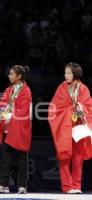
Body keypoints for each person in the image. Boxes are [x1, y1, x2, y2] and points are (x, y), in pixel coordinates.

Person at [48, 62, 92, 194]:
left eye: (68, 73)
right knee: (64, 156)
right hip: (64, 126)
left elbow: (89, 106)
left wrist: (80, 108)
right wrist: (70, 110)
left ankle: (76, 186)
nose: (66, 75)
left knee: (78, 158)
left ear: (75, 74)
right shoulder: (62, 87)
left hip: (78, 127)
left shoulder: (83, 88)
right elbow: (54, 107)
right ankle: (67, 186)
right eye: (65, 73)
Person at [0, 65, 32, 194]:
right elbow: (2, 102)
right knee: (5, 159)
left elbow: (25, 110)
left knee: (21, 159)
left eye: (12, 74)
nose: (9, 76)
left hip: (20, 128)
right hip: (8, 129)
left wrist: (11, 116)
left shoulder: (26, 91)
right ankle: (3, 185)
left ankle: (22, 186)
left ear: (19, 76)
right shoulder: (9, 89)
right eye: (9, 74)